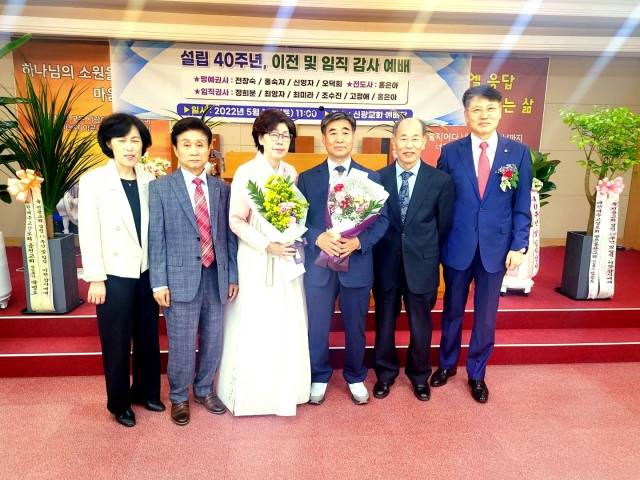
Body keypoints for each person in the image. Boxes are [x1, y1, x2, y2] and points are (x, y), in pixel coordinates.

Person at [431, 85, 532, 403]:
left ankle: (477, 373)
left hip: (496, 249)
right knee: (452, 311)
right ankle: (447, 364)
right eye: (476, 110)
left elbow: (521, 204)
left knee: (486, 317)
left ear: (500, 112)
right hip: (457, 245)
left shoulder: (518, 153)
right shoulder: (451, 153)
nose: (483, 115)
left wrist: (519, 245)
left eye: (490, 109)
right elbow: (441, 203)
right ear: (466, 115)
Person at [217, 109, 311, 416]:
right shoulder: (246, 172)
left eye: (286, 136)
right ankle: (253, 394)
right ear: (260, 138)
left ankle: (284, 389)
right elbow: (235, 220)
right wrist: (267, 244)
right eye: (274, 135)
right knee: (256, 321)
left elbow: (293, 216)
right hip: (256, 256)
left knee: (284, 321)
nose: (281, 141)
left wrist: (291, 237)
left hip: (285, 257)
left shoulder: (290, 172)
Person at [148, 117, 238, 426]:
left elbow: (229, 236)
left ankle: (203, 390)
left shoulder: (221, 189)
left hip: (216, 275)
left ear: (209, 148)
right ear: (175, 149)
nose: (194, 150)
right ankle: (178, 396)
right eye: (186, 145)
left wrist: (232, 275)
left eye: (200, 144)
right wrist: (158, 282)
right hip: (179, 278)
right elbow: (156, 237)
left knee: (213, 339)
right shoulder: (160, 188)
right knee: (182, 342)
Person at [78, 113, 164, 427]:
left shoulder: (150, 179)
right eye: (122, 140)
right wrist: (95, 278)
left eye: (135, 140)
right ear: (108, 143)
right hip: (113, 274)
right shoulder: (93, 182)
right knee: (116, 341)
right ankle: (119, 403)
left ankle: (146, 391)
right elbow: (88, 231)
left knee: (147, 335)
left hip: (145, 270)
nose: (130, 147)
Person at [298, 111, 389, 406]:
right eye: (333, 132)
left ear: (353, 137)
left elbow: (382, 221)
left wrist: (359, 242)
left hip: (356, 265)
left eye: (345, 132)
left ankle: (355, 375)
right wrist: (317, 237)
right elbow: (297, 220)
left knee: (355, 326)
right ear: (324, 139)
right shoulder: (307, 178)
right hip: (319, 267)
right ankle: (319, 375)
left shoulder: (370, 177)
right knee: (317, 325)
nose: (339, 138)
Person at [372, 117, 454, 402]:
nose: (408, 145)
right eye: (403, 138)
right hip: (386, 263)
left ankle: (419, 376)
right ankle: (385, 374)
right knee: (384, 322)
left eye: (414, 138)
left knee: (421, 326)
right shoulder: (377, 178)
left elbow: (444, 225)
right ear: (394, 142)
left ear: (424, 142)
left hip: (422, 263)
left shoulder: (440, 181)